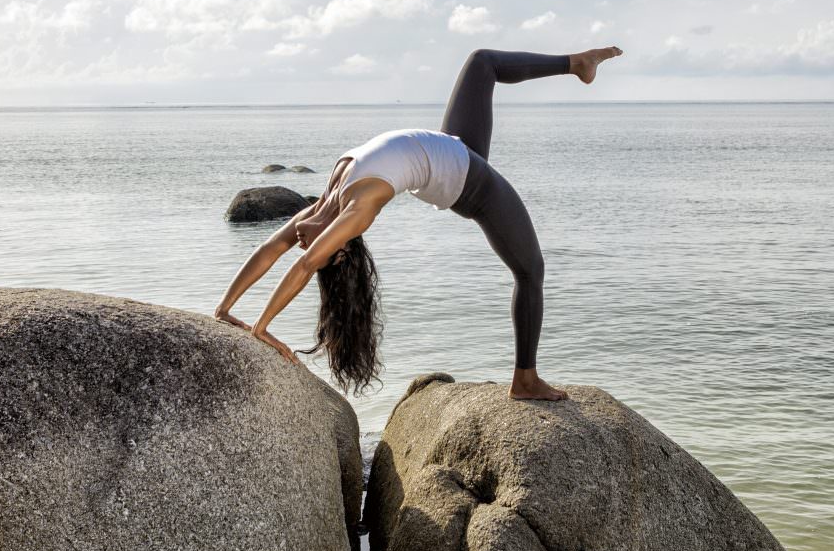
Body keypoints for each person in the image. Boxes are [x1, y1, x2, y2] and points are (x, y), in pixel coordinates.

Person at [213, 45, 623, 401]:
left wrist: (227, 312)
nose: (300, 245)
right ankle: (526, 380)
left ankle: (577, 63)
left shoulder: (329, 201)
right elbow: (295, 263)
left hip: (453, 150)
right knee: (530, 270)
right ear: (338, 250)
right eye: (316, 252)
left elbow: (274, 252)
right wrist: (259, 328)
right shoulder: (355, 211)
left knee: (482, 62)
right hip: (470, 183)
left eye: (307, 246)